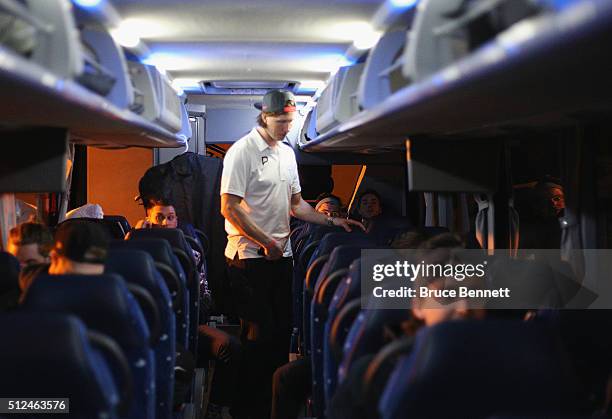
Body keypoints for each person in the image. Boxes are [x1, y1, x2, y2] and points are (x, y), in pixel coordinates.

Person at [220, 89, 364, 418]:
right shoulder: (242, 153)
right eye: (281, 121)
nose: (287, 127)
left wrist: (333, 221)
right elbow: (229, 208)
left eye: (290, 121)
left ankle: (272, 409)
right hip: (248, 258)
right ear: (265, 117)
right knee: (259, 337)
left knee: (280, 336)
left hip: (280, 257)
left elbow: (297, 205)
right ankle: (245, 411)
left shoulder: (286, 154)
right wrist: (266, 241)